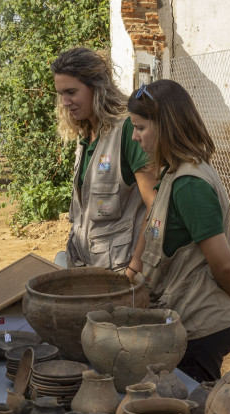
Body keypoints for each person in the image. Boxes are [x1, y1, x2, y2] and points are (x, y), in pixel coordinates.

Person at [122, 80, 230, 382]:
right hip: (184, 320)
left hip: (200, 328)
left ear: (166, 126)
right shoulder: (173, 173)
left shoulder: (190, 184)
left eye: (140, 128)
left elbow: (224, 265)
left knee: (189, 406)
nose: (135, 137)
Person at [51, 47, 155, 270]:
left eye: (71, 92)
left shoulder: (128, 130)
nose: (65, 102)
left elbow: (155, 206)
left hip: (120, 274)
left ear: (96, 87)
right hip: (87, 269)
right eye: (61, 94)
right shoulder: (85, 134)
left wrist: (135, 267)